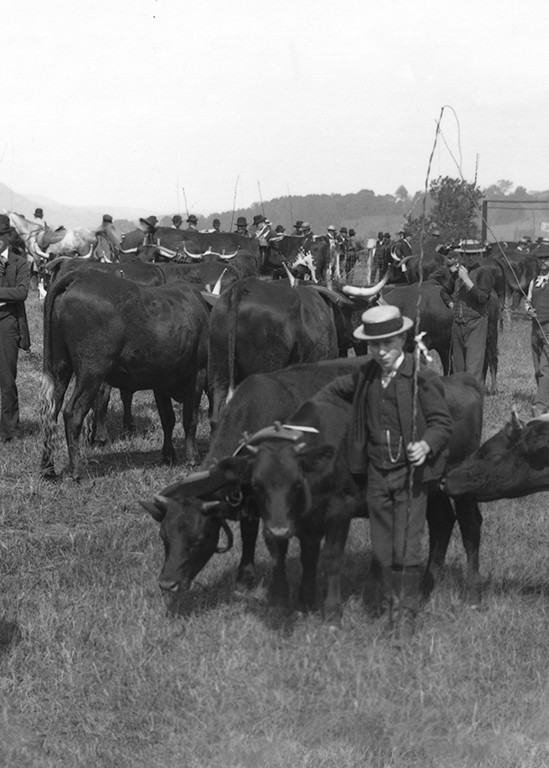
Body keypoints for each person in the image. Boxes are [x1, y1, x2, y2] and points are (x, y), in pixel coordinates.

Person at [320, 305, 452, 642]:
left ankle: (404, 614)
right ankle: (393, 598)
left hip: (411, 478)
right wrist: (311, 414)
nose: (380, 352)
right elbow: (333, 390)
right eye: (373, 346)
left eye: (387, 344)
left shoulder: (422, 378)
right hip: (377, 475)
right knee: (381, 548)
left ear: (403, 340)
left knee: (406, 547)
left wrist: (425, 445)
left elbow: (441, 423)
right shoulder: (365, 376)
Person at [440, 242, 493, 384]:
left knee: (472, 367)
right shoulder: (457, 273)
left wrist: (466, 280)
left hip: (476, 323)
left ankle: (472, 401)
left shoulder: (483, 273)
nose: (470, 258)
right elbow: (444, 291)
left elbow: (483, 298)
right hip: (458, 324)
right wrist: (452, 305)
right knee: (458, 367)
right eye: (467, 255)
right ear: (462, 256)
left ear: (479, 255)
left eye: (474, 254)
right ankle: (459, 400)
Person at [0, 214, 30, 442]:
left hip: (7, 322)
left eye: (1, 236)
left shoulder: (20, 262)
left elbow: (22, 292)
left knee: (7, 378)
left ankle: (11, 430)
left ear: (8, 237)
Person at [526, 243, 549, 416]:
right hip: (535, 329)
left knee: (544, 368)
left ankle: (540, 407)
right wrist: (528, 310)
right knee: (537, 369)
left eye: (546, 258)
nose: (543, 262)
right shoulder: (535, 280)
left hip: (548, 329)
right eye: (540, 259)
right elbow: (528, 300)